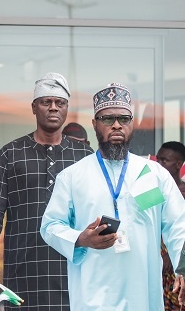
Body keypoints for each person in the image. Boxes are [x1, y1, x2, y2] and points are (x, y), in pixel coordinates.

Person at [40, 83, 185, 310]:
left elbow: (179, 224)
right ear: (95, 124)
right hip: (92, 298)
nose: (116, 125)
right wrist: (81, 239)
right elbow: (50, 226)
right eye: (107, 119)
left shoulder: (153, 174)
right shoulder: (73, 176)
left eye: (123, 119)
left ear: (132, 123)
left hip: (143, 297)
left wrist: (182, 268)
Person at [0, 73, 93, 310]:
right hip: (23, 270)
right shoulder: (11, 153)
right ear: (34, 107)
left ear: (66, 108)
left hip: (73, 268)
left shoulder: (84, 156)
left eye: (60, 103)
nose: (53, 108)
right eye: (46, 102)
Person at [156, 141, 185, 310]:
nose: (159, 164)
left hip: (179, 259)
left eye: (164, 161)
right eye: (157, 159)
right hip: (156, 259)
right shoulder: (152, 191)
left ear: (179, 164)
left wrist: (169, 256)